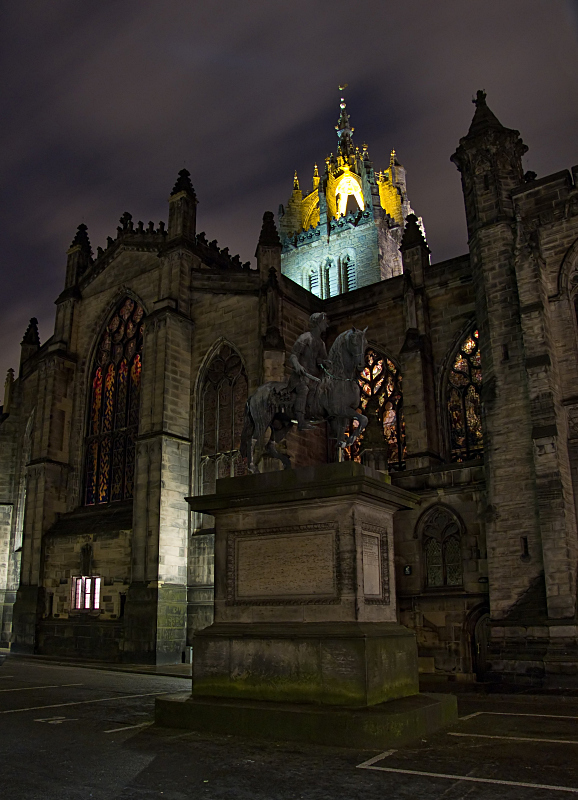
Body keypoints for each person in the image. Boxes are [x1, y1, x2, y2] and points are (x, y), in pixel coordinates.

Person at [288, 312, 329, 430]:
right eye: (324, 322)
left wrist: (324, 363)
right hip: (301, 376)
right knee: (304, 389)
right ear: (318, 323)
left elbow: (323, 359)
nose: (326, 325)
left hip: (314, 377)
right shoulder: (305, 338)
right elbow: (293, 355)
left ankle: (312, 413)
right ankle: (300, 420)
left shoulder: (321, 343)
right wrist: (298, 366)